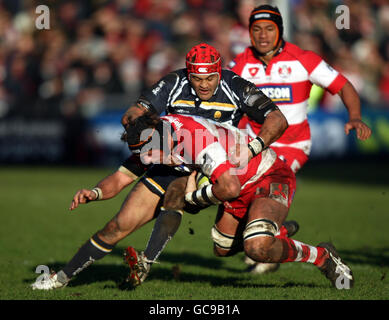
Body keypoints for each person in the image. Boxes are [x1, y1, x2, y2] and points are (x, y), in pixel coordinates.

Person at [31, 43, 290, 290]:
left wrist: (253, 147)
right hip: (172, 157)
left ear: (219, 72)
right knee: (118, 226)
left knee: (178, 194)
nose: (203, 84)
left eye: (210, 78)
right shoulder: (171, 90)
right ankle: (62, 278)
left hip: (211, 165)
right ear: (188, 73)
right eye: (197, 79)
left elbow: (277, 119)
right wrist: (97, 191)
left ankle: (147, 261)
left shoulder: (235, 85)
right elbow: (131, 124)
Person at [123, 112, 354, 289]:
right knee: (222, 249)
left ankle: (323, 257)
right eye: (144, 153)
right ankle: (277, 231)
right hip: (239, 183)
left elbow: (229, 189)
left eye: (151, 151)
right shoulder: (166, 128)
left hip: (267, 176)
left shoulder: (196, 141)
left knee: (256, 247)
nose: (151, 158)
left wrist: (194, 197)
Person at [228, 4, 372, 273]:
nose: (262, 35)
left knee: (260, 192)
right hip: (253, 147)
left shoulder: (303, 59)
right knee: (227, 222)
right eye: (256, 29)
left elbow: (343, 85)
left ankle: (281, 243)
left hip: (292, 145)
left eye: (269, 29)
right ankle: (277, 235)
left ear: (280, 30)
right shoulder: (239, 65)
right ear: (248, 32)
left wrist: (354, 116)